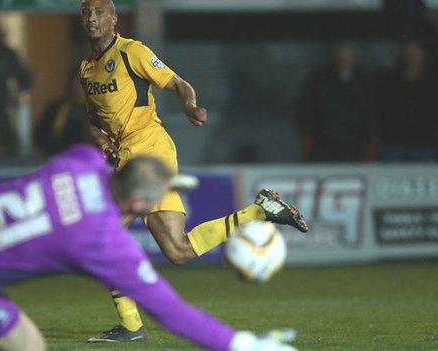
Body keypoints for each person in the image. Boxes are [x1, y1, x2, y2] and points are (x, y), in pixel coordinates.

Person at [0, 145, 297, 351]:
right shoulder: (102, 241)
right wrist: (240, 344)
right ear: (138, 204)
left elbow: (106, 165)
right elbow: (171, 311)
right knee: (26, 348)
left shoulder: (80, 160)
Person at [78, 0, 309, 341]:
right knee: (178, 250)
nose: (92, 19)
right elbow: (95, 122)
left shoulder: (132, 52)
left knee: (101, 231)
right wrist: (102, 142)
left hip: (148, 150)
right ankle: (257, 211)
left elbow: (177, 83)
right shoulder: (86, 69)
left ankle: (130, 324)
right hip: (130, 154)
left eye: (99, 12)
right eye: (86, 13)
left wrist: (189, 105)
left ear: (114, 19)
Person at [295, 43, 375, 162]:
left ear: (353, 60)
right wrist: (307, 138)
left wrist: (370, 144)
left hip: (354, 146)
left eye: (347, 58)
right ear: (334, 59)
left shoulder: (363, 84)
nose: (344, 62)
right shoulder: (319, 82)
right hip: (323, 144)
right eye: (341, 58)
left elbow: (369, 114)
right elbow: (305, 110)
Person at [375, 41, 438, 162]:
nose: (411, 58)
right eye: (408, 54)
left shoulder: (433, 83)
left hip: (425, 145)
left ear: (422, 56)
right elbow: (379, 112)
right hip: (393, 145)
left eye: (415, 54)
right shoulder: (389, 83)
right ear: (402, 56)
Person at [35, 73, 91, 156]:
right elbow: (41, 134)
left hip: (91, 158)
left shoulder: (98, 109)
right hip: (59, 156)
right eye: (76, 84)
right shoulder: (55, 108)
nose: (78, 88)